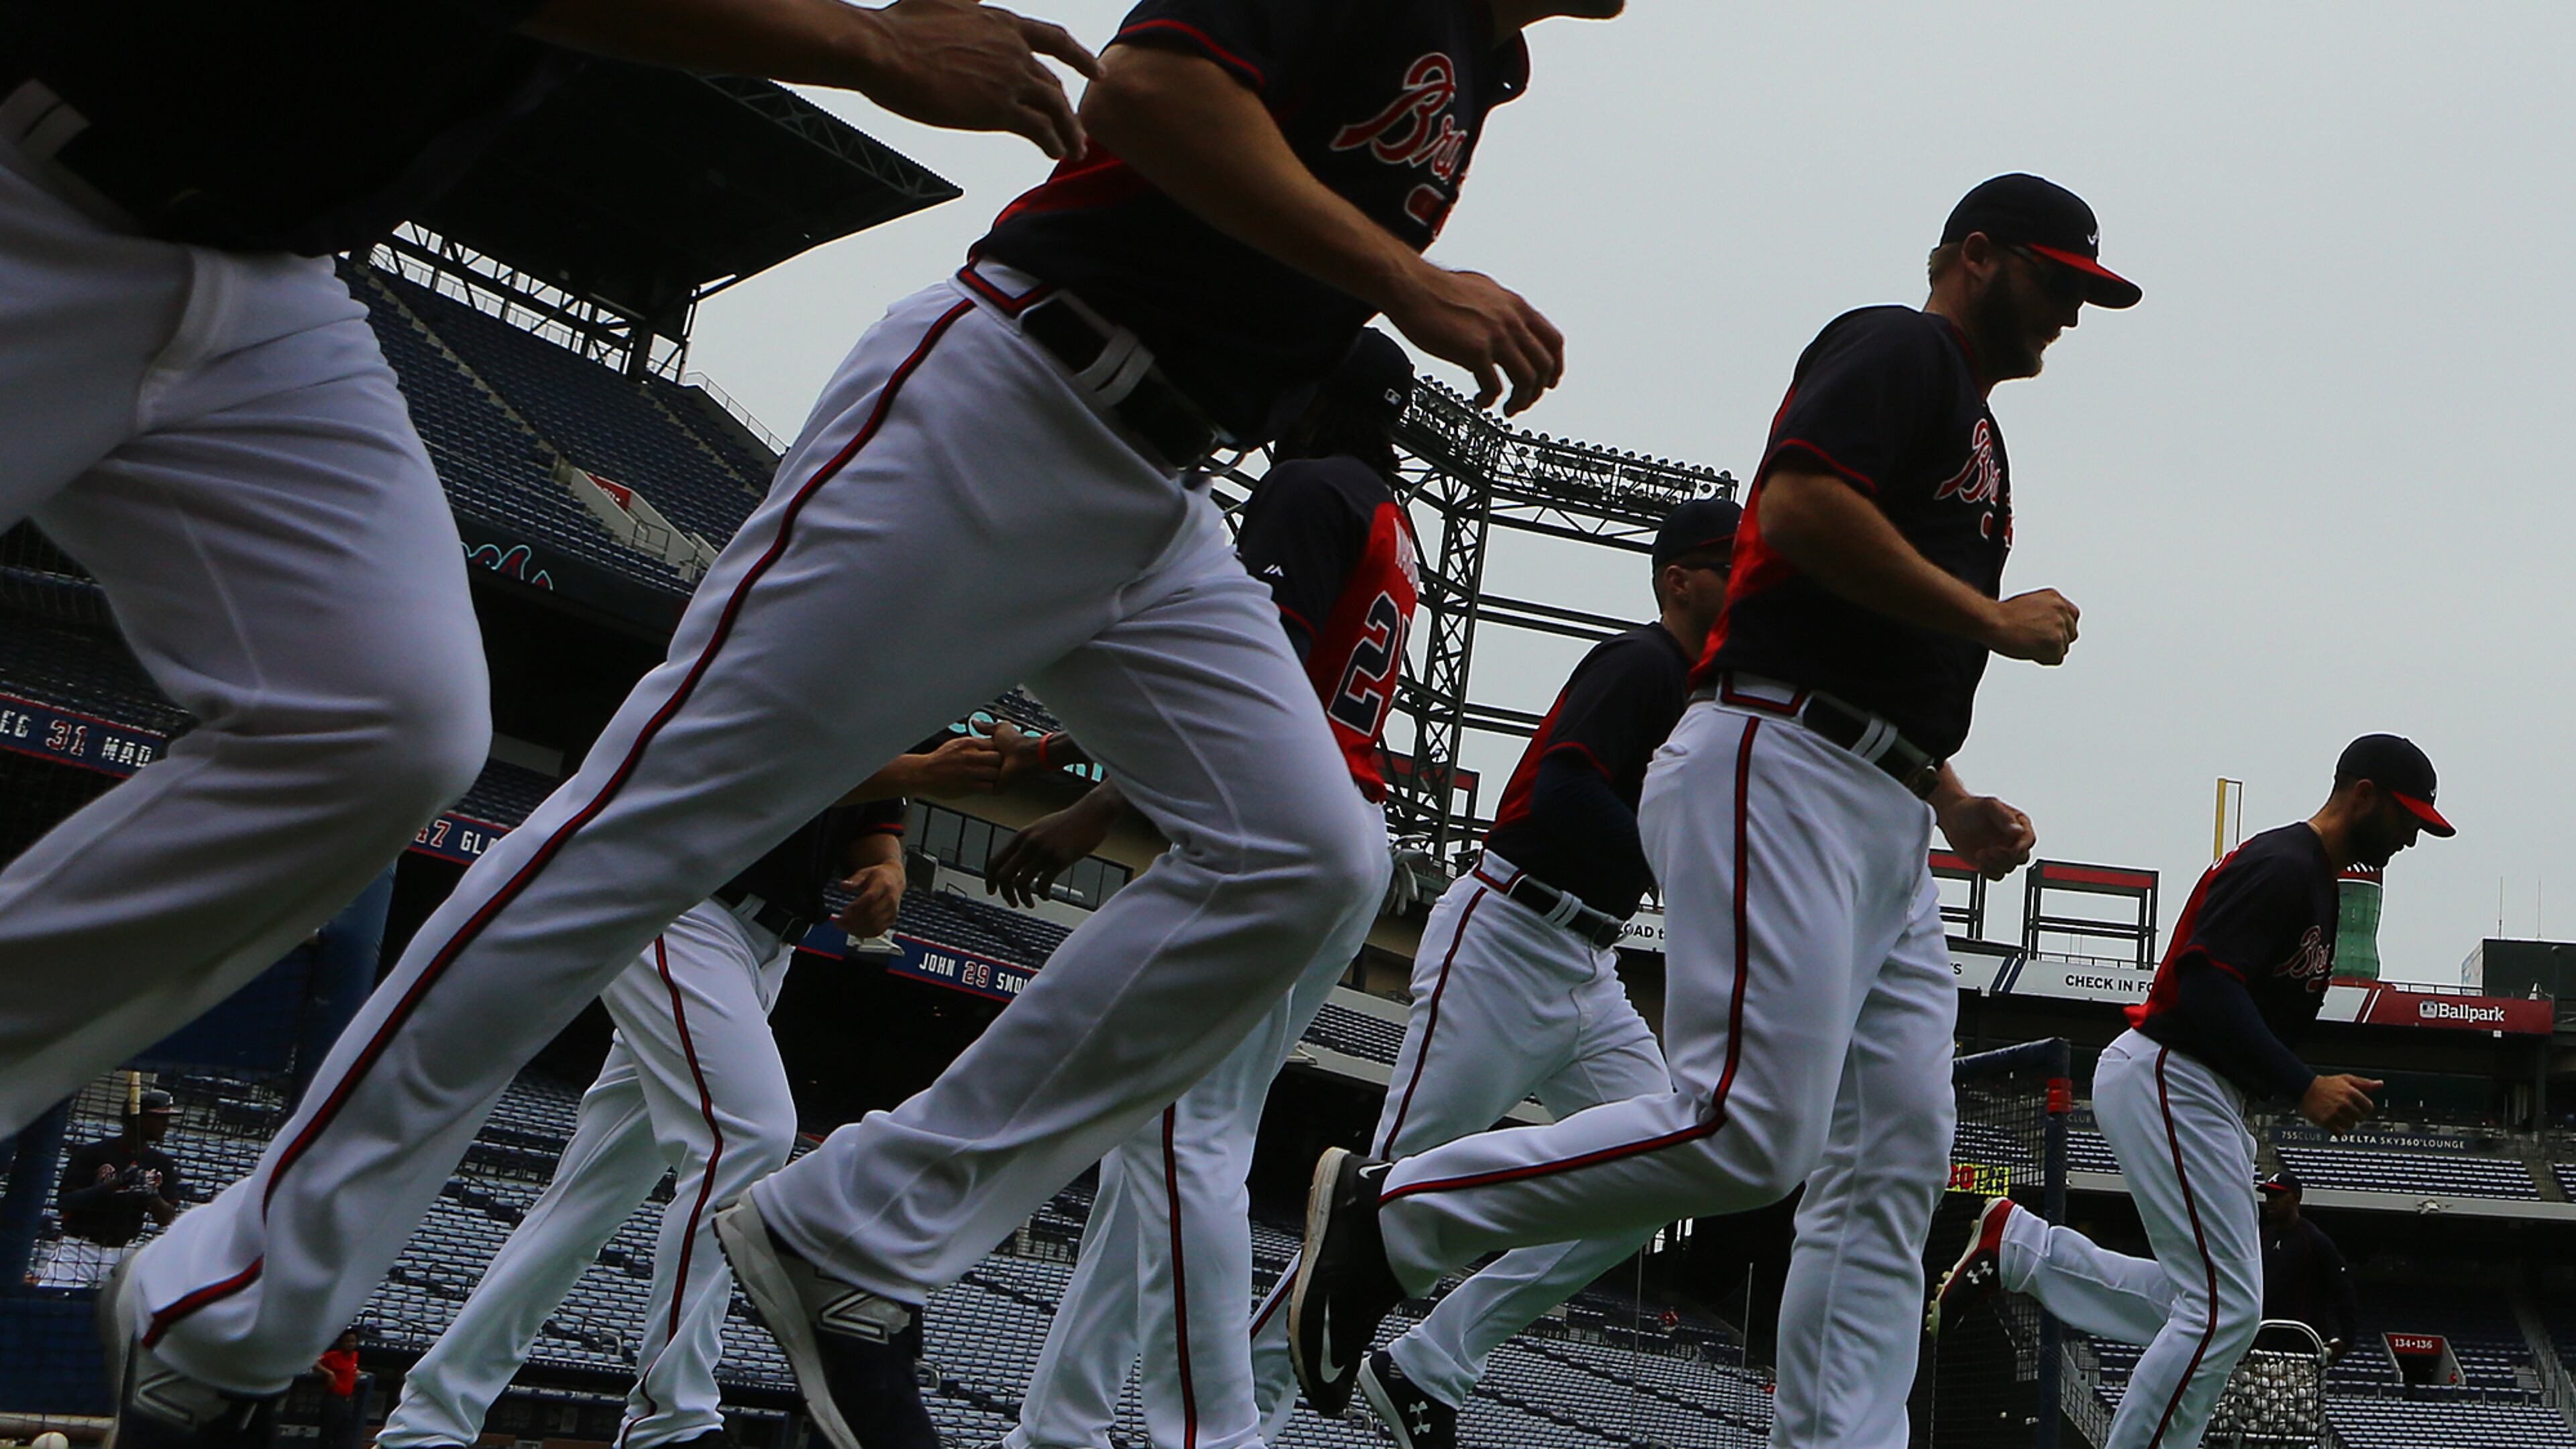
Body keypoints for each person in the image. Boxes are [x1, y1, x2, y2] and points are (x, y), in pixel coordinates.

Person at [116, 1, 1595, 1444]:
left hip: (1155, 491)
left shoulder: (1481, 57)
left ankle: (860, 1223)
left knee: (1308, 863)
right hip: (1009, 392)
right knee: (634, 835)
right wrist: (1404, 282)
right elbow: (1153, 90)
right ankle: (235, 1294)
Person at [0, 0, 1097, 1143]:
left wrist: (895, 825)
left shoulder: (912, 643)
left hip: (271, 282)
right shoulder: (823, 574)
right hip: (39, 182)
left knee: (387, 726)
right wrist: (868, 42)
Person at [1288, 173, 2139, 1449]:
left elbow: (1873, 647)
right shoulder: (1901, 345)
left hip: (1881, 802)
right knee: (1748, 1133)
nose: (2071, 314)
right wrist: (1990, 622)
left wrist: (1951, 801)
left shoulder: (1975, 422)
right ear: (1977, 255)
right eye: (2057, 282)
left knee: (1896, 1157)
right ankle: (1397, 1215)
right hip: (1780, 760)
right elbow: (1797, 509)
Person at [995, 332, 1416, 1449]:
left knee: (1184, 1135)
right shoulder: (1386, 511)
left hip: (1279, 829)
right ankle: (1060, 1424)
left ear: (1323, 399)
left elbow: (1243, 687)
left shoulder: (1311, 487)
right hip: (1339, 832)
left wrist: (1101, 804)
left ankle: (1211, 1435)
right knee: (1171, 1129)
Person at [1246, 497, 1735, 1449]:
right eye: (1728, 567)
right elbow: (1561, 792)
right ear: (1679, 580)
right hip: (1506, 937)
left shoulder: (1708, 693)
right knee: (1375, 1211)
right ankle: (1229, 1428)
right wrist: (1683, 862)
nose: (1745, 584)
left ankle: (1430, 1363)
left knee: (1665, 1173)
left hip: (1589, 967)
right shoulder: (1646, 664)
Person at [376, 739, 994, 1449]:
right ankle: (671, 1421)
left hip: (767, 944)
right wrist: (924, 770)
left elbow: (874, 828)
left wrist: (886, 873)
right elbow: (769, 765)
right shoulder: (829, 643)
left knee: (587, 1196)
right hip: (682, 892)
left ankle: (426, 1421)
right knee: (748, 1135)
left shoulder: (906, 688)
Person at [1928, 733, 2449, 1449]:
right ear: (2363, 795)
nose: (2411, 838)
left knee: (2204, 1305)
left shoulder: (2316, 879)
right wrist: (2303, 1087)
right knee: (2227, 1309)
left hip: (2200, 1087)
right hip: (2173, 1072)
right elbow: (2206, 984)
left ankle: (2021, 1249)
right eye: (2406, 818)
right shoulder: (2284, 863)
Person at [58, 1089, 186, 1248]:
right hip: (79, 1247)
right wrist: (114, 1184)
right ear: (136, 1118)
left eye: (167, 1118)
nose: (166, 1124)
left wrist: (152, 1194)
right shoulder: (92, 1153)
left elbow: (166, 1219)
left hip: (123, 1251)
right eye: (159, 1117)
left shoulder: (161, 1162)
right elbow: (65, 1203)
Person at [2256, 1171, 2357, 1358]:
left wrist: (2346, 1340)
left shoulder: (2314, 1240)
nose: (2270, 1201)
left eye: (2278, 1196)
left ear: (2296, 1198)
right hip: (2261, 1342)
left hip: (2301, 1348)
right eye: (2268, 1196)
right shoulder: (2262, 1237)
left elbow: (2343, 1290)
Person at [313, 1330, 363, 1449]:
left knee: (344, 1436)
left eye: (353, 1341)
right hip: (333, 1399)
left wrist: (356, 1372)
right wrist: (329, 1373)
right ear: (341, 1343)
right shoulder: (333, 1356)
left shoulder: (355, 1356)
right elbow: (315, 1363)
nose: (350, 1344)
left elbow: (351, 1369)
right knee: (327, 1433)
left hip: (347, 1400)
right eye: (347, 1341)